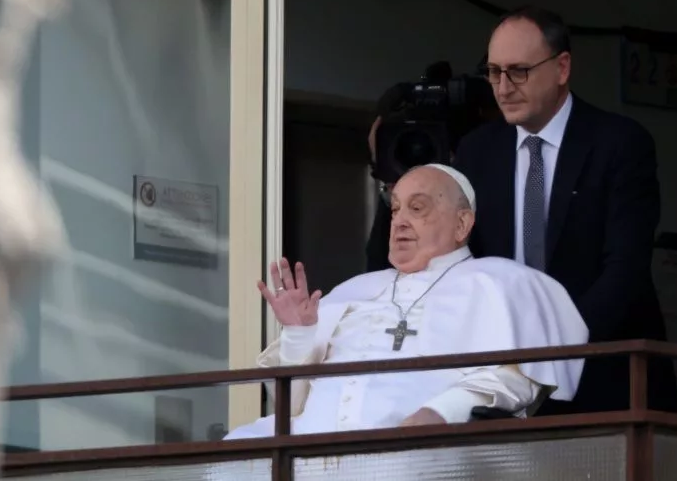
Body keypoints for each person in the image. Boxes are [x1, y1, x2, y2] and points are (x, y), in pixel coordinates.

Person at [366, 6, 677, 415]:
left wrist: (551, 352)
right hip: (502, 384)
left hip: (604, 377)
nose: (503, 87)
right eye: (494, 72)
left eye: (519, 71)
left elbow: (625, 270)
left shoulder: (619, 143)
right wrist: (389, 179)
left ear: (562, 68)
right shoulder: (479, 150)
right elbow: (422, 261)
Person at [224, 164, 588, 440]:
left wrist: (442, 412)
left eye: (417, 208)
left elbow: (517, 379)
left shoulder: (500, 282)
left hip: (421, 456)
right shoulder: (356, 289)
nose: (398, 221)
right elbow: (290, 402)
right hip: (309, 453)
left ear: (462, 224)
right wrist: (299, 335)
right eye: (395, 208)